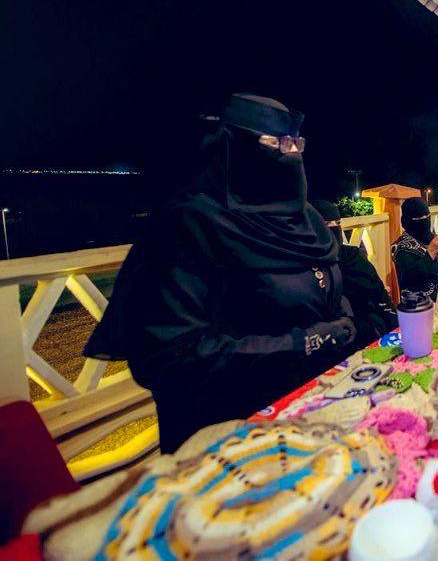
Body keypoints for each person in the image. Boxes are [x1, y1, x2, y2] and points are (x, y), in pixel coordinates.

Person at [84, 95, 383, 452]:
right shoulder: (187, 227)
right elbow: (172, 356)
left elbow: (323, 285)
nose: (290, 155)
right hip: (232, 436)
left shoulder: (306, 220)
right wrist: (304, 342)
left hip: (313, 411)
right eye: (275, 143)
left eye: (296, 144)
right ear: (232, 148)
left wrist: (342, 315)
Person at [311, 199, 398, 336]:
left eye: (338, 223)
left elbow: (379, 293)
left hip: (377, 330)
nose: (334, 227)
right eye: (326, 224)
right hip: (344, 337)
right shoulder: (309, 270)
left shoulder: (352, 256)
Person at [391, 197, 438, 300]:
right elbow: (412, 281)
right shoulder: (401, 248)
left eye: (428, 216)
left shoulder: (432, 238)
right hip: (422, 304)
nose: (425, 220)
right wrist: (431, 253)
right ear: (407, 221)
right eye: (419, 218)